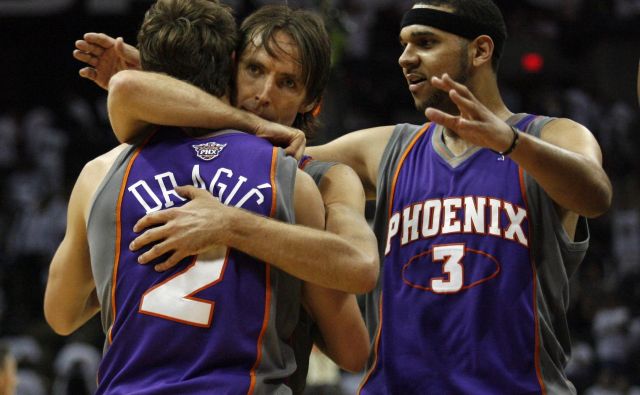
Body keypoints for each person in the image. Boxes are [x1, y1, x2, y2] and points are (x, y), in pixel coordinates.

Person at [74, 0, 613, 393]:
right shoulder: (388, 147)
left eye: (424, 43)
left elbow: (594, 194)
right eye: (403, 46)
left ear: (480, 49)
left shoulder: (554, 136)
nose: (405, 58)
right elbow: (263, 144)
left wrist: (511, 143)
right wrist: (168, 72)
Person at [45, 1, 368, 393]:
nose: (264, 94)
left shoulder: (101, 173)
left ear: (310, 101)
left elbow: (60, 316)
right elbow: (353, 349)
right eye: (254, 70)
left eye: (288, 82)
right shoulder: (295, 184)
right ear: (231, 66)